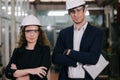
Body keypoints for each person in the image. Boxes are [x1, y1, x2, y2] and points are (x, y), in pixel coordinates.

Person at [52, 0, 104, 80]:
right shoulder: (64, 33)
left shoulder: (96, 33)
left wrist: (70, 52)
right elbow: (55, 57)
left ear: (85, 10)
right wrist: (74, 62)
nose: (76, 15)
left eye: (78, 10)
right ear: (69, 13)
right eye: (72, 11)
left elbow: (93, 58)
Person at [5, 15, 51, 80]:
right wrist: (31, 71)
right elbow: (8, 72)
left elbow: (42, 75)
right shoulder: (17, 51)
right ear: (23, 33)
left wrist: (19, 76)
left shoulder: (45, 50)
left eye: (35, 31)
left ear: (39, 33)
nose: (32, 34)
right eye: (28, 31)